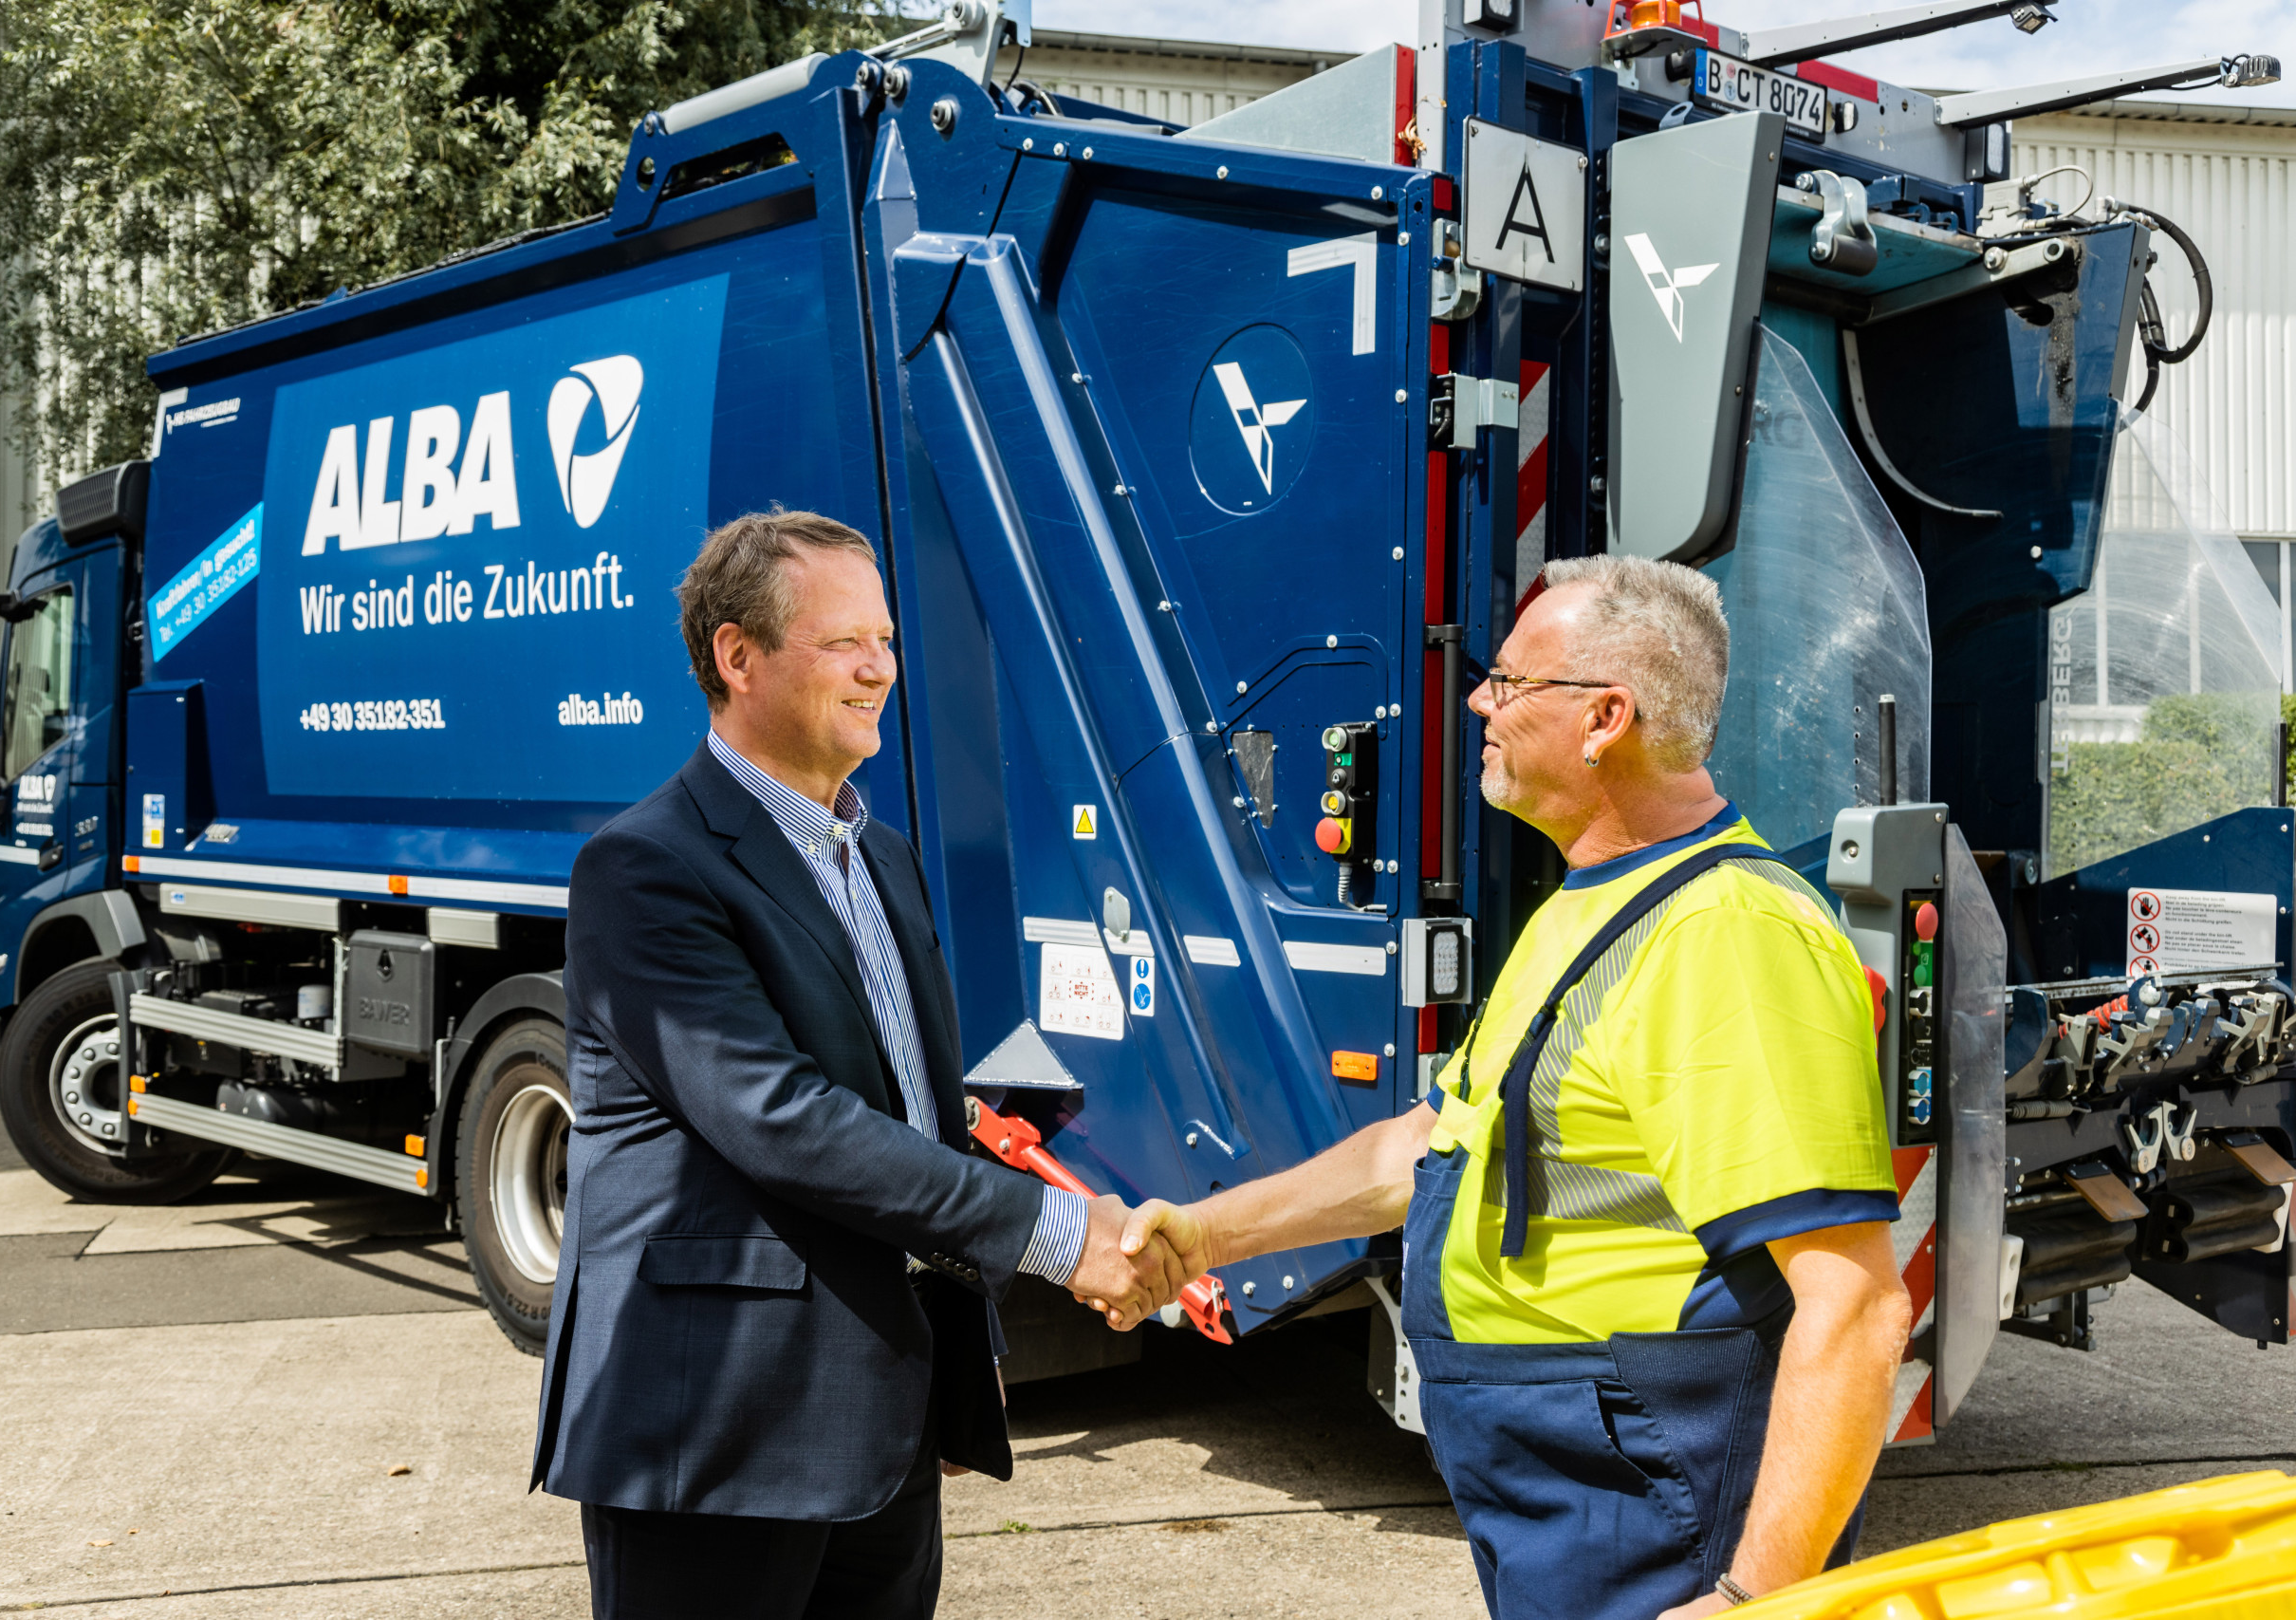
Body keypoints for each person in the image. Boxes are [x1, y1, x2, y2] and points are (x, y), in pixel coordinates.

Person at [1125, 553, 1916, 1619]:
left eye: (1509, 680)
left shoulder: (1727, 935)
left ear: (1605, 718)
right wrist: (1199, 1239)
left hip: (1655, 1488)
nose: (1477, 701)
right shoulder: (1592, 902)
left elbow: (1856, 1303)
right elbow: (1433, 1149)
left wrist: (1751, 1595)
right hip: (1571, 1474)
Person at [532, 508, 1186, 1620]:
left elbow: (913, 1114)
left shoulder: (879, 856)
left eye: (884, 638)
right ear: (737, 657)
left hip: (876, 1418)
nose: (880, 667)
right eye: (844, 642)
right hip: (717, 1431)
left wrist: (945, 1361)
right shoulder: (644, 869)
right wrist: (1062, 1236)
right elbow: (782, 1118)